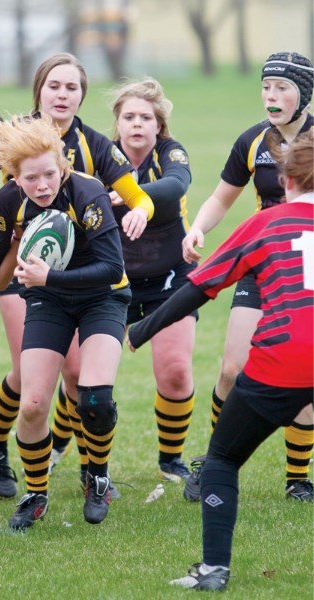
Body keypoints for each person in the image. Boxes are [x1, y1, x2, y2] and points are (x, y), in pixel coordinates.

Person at [127, 129, 313, 592]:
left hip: (285, 359)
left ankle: (213, 570)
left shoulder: (266, 223)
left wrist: (139, 331)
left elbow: (198, 288)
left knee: (222, 460)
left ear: (286, 181)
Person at [0, 52, 152, 500]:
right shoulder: (14, 138)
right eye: (55, 85)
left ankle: (78, 463)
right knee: (29, 376)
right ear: (39, 89)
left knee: (80, 379)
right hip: (22, 268)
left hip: (83, 275)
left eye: (72, 87)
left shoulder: (94, 146)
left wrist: (140, 214)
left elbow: (139, 198)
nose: (62, 94)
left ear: (82, 95)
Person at [0, 116, 132, 529]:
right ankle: (36, 493)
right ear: (15, 178)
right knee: (34, 404)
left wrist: (48, 277)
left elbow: (112, 267)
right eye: (31, 178)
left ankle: (98, 477)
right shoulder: (8, 200)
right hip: (48, 300)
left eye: (50, 174)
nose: (43, 186)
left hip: (103, 298)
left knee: (94, 398)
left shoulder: (88, 193)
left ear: (63, 166)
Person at [181, 51, 314, 503]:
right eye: (266, 87)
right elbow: (221, 198)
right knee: (233, 367)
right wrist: (199, 226)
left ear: (304, 93)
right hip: (262, 264)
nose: (271, 96)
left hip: (308, 267)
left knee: (307, 376)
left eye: (283, 88)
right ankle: (217, 459)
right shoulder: (253, 141)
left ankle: (297, 477)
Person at [109, 77, 195, 481]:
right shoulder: (102, 157)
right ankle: (60, 449)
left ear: (159, 125)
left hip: (170, 276)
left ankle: (170, 459)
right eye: (129, 117)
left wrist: (133, 199)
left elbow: (176, 185)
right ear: (118, 123)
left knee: (176, 370)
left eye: (146, 117)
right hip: (111, 279)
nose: (138, 124)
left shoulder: (170, 153)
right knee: (76, 373)